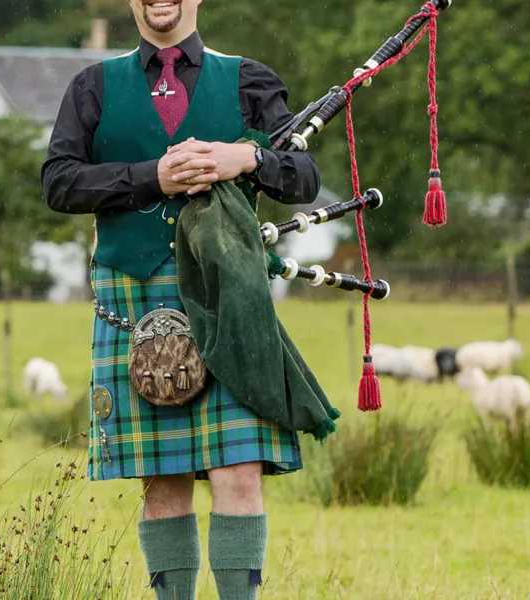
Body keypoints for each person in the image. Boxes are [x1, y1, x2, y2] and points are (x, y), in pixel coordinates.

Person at [41, 1, 321, 599]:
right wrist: (152, 177)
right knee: (163, 481)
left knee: (239, 472)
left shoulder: (249, 80)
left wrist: (245, 156)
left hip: (229, 298)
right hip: (136, 301)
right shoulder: (93, 86)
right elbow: (59, 182)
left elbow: (303, 175)